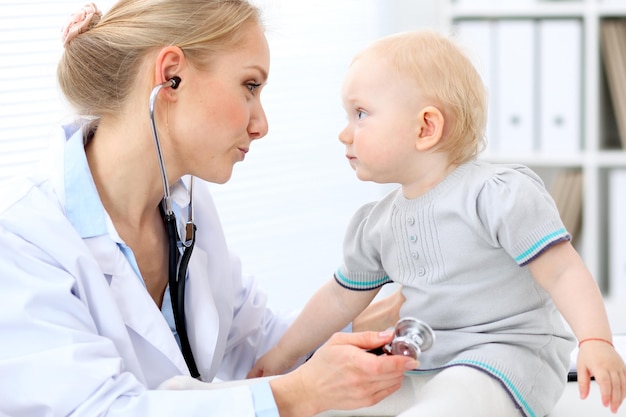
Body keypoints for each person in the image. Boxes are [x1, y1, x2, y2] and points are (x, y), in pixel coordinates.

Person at [0, 2, 418, 416]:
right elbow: (100, 409)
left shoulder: (186, 211)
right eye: (250, 86)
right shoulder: (21, 238)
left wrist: (402, 309)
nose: (262, 124)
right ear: (170, 76)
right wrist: (297, 395)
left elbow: (257, 343)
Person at [247, 30, 626, 416]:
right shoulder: (376, 223)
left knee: (453, 398)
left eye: (360, 114)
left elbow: (562, 271)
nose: (344, 133)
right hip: (422, 360)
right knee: (331, 407)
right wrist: (282, 356)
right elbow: (338, 297)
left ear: (425, 127)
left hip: (505, 358)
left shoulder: (496, 195)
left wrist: (595, 339)